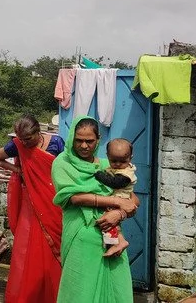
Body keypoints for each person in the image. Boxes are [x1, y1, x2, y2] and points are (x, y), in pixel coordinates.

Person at [51, 116, 139, 303]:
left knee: (116, 288)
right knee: (80, 290)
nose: (84, 146)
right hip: (81, 235)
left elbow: (132, 201)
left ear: (98, 139)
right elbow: (75, 197)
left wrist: (118, 213)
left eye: (89, 141)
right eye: (79, 140)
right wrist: (116, 201)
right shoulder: (62, 164)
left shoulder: (109, 166)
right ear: (71, 139)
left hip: (111, 237)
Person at [0, 114, 64, 303]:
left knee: (54, 243)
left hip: (53, 200)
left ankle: (54, 294)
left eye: (28, 139)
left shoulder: (56, 143)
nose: (25, 143)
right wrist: (18, 170)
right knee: (28, 246)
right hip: (31, 203)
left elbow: (65, 167)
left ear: (39, 132)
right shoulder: (17, 145)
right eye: (21, 139)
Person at [94, 138, 138, 257]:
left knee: (108, 221)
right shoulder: (115, 167)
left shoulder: (127, 173)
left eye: (122, 161)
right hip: (117, 199)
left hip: (120, 199)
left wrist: (99, 176)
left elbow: (115, 183)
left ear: (130, 158)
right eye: (113, 161)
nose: (118, 164)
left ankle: (116, 243)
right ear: (107, 156)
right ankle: (118, 242)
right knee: (112, 223)